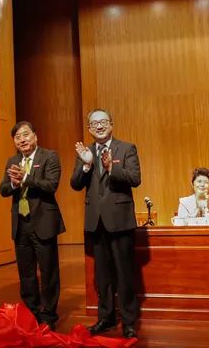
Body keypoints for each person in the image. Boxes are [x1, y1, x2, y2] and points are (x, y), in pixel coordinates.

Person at [70, 109, 140, 339]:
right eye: (94, 123)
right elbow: (75, 184)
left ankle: (129, 322)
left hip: (120, 220)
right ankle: (106, 318)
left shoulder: (126, 148)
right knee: (103, 276)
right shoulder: (85, 152)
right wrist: (87, 166)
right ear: (89, 129)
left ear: (111, 124)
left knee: (125, 274)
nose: (98, 126)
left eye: (102, 122)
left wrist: (111, 168)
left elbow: (135, 179)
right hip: (96, 222)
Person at [0, 121, 65, 331]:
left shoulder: (49, 156)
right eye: (17, 137)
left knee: (48, 273)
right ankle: (31, 313)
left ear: (35, 136)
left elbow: (51, 185)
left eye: (25, 135)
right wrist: (13, 184)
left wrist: (26, 178)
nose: (22, 140)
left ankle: (48, 315)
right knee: (26, 274)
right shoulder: (12, 161)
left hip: (43, 222)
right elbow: (2, 189)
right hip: (21, 225)